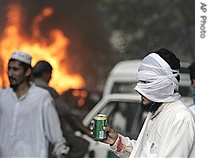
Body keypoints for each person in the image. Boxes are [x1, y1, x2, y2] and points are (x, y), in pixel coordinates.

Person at [90, 48, 195, 158]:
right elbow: (142, 153)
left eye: (146, 82)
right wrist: (116, 141)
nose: (138, 88)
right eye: (139, 81)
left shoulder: (180, 119)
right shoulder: (156, 112)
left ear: (165, 85)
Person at [0, 50, 69, 158]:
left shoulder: (42, 97)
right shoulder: (3, 96)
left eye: (15, 69)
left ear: (27, 72)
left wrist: (62, 153)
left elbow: (56, 136)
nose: (10, 74)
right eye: (9, 69)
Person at [32, 60, 90, 158]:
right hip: (47, 134)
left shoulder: (24, 89)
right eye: (50, 74)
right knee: (81, 145)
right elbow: (66, 112)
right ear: (45, 74)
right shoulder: (47, 91)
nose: (50, 77)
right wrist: (84, 130)